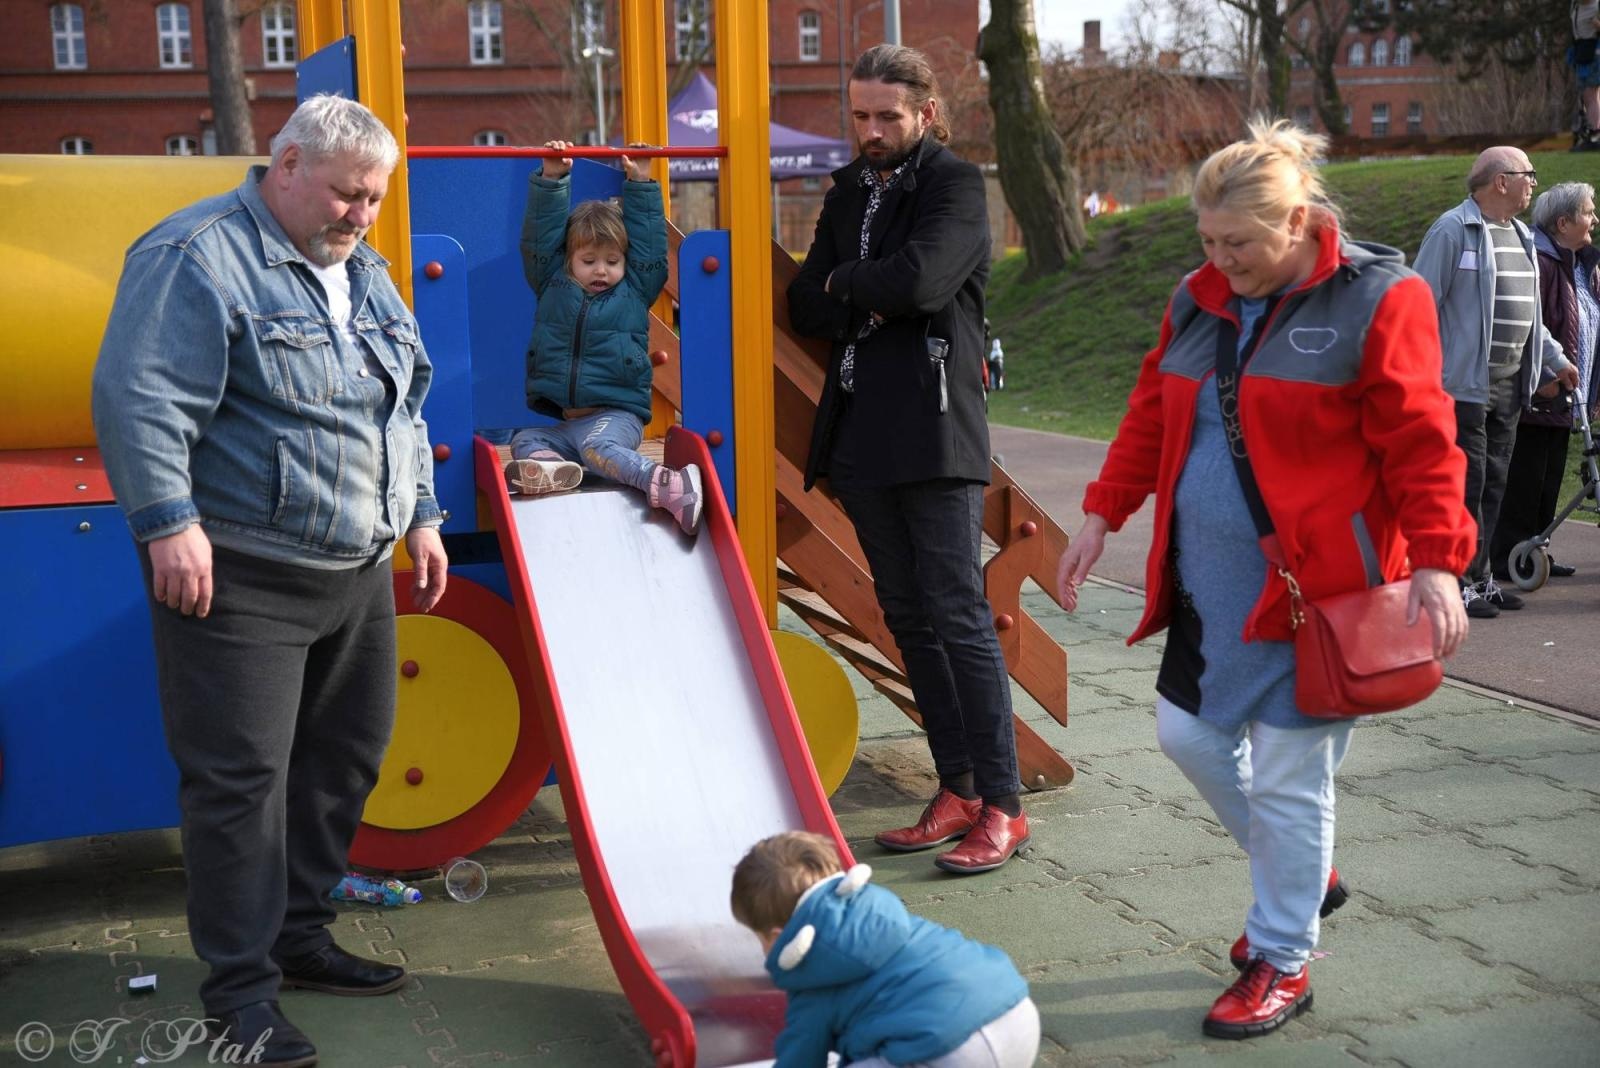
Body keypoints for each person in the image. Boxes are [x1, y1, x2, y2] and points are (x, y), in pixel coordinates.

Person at [1055, 119, 1473, 1040]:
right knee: (1185, 736)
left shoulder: (1379, 298)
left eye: (1238, 243)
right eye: (1207, 242)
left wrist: (1441, 562)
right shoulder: (1200, 299)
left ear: (1298, 224)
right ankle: (1304, 875)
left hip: (1321, 596)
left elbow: (1422, 444)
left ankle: (1283, 959)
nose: (1221, 260)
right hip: (1210, 584)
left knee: (1290, 784)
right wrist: (1099, 515)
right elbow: (1149, 416)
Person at [91, 94, 449, 1065]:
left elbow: (404, 405)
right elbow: (140, 395)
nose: (361, 216)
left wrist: (419, 514)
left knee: (344, 761)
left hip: (355, 567)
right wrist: (167, 523)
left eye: (374, 199)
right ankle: (239, 996)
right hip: (241, 573)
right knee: (240, 784)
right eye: (345, 194)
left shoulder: (362, 270)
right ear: (285, 165)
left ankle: (299, 936)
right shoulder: (195, 255)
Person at [787, 44, 1027, 875]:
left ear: (926, 112)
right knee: (908, 615)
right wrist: (867, 285)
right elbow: (804, 300)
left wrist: (856, 284)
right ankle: (956, 786)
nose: (872, 130)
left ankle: (1003, 804)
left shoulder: (954, 184)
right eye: (859, 115)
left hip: (934, 427)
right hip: (862, 431)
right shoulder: (851, 187)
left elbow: (923, 285)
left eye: (888, 115)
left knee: (958, 613)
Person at [505, 139, 703, 535]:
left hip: (616, 417)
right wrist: (553, 176)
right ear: (568, 261)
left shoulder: (633, 290)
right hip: (569, 424)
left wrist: (641, 182)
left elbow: (649, 249)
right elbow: (539, 242)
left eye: (612, 262)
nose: (601, 270)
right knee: (524, 438)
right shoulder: (551, 281)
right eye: (589, 261)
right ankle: (550, 469)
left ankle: (668, 484)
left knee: (598, 450)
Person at [1414, 147, 1578, 619]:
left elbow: (1530, 317)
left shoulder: (1524, 236)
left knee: (1494, 484)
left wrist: (1556, 360)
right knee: (1468, 483)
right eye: (1527, 175)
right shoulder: (1453, 230)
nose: (1534, 183)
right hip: (1461, 385)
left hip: (1508, 385)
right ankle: (1457, 583)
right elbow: (1418, 305)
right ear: (1500, 181)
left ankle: (1481, 578)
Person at [730, 831, 1040, 1067]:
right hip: (1015, 1013)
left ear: (777, 935)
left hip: (945, 1051)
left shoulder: (810, 979)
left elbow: (801, 1060)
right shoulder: (882, 915)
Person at [1493, 182, 1600, 578]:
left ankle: (1537, 550)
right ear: (1562, 222)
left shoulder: (1582, 264)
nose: (1595, 219)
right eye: (1588, 212)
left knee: (1550, 475)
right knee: (1528, 474)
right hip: (1542, 389)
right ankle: (1510, 555)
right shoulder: (1538, 260)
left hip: (1572, 391)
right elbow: (1527, 324)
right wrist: (1541, 375)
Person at [1571, 1, 1600, 151]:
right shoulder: (1575, 4)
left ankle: (1595, 132)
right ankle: (1590, 133)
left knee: (1591, 94)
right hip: (1581, 51)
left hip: (1595, 52)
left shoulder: (1597, 5)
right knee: (1586, 95)